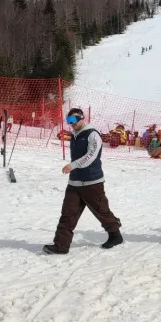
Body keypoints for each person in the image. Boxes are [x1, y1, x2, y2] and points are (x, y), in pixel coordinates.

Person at [43, 108, 123, 255]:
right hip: (74, 182)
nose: (71, 124)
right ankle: (61, 246)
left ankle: (115, 235)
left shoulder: (92, 134)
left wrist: (71, 166)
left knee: (102, 211)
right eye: (68, 121)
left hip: (92, 181)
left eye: (73, 120)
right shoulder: (74, 135)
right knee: (67, 214)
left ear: (82, 118)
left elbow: (90, 156)